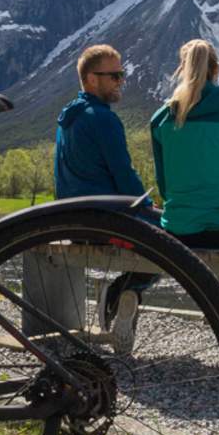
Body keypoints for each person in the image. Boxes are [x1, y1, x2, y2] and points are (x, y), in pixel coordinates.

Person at [149, 38, 219, 319]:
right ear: (216, 70)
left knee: (205, 240)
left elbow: (164, 185)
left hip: (178, 230)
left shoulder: (162, 119)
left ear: (182, 69)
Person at [53, 44, 156, 349]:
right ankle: (125, 290)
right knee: (173, 234)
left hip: (72, 222)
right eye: (114, 75)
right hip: (104, 221)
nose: (121, 80)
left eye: (121, 74)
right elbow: (124, 175)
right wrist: (149, 207)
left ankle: (122, 297)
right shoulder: (103, 118)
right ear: (91, 79)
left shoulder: (67, 119)